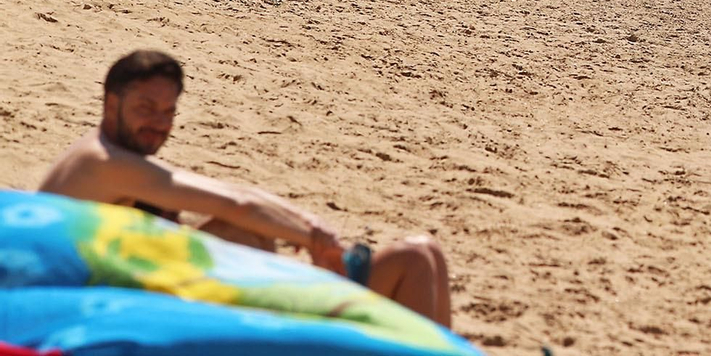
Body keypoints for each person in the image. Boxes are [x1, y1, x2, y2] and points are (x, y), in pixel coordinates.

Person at [40, 51, 451, 324]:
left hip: (149, 299)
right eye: (146, 109)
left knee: (427, 251)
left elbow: (227, 203)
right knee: (413, 258)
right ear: (111, 103)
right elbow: (235, 201)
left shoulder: (121, 159)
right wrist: (313, 236)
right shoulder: (102, 163)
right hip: (112, 318)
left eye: (168, 112)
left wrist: (300, 234)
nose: (159, 123)